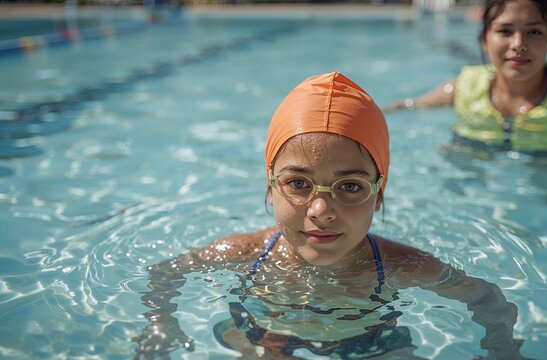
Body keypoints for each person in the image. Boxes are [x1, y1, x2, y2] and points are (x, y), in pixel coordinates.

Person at [133, 72, 524, 359]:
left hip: (370, 345)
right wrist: (161, 323)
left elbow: (488, 298)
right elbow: (165, 272)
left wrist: (501, 348)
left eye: (350, 186)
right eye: (298, 184)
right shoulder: (243, 253)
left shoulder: (402, 264)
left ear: (379, 194)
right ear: (270, 187)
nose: (321, 211)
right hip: (266, 339)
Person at [385, 0, 547, 154]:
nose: (519, 44)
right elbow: (405, 108)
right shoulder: (463, 88)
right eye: (505, 31)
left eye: (535, 32)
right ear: (485, 40)